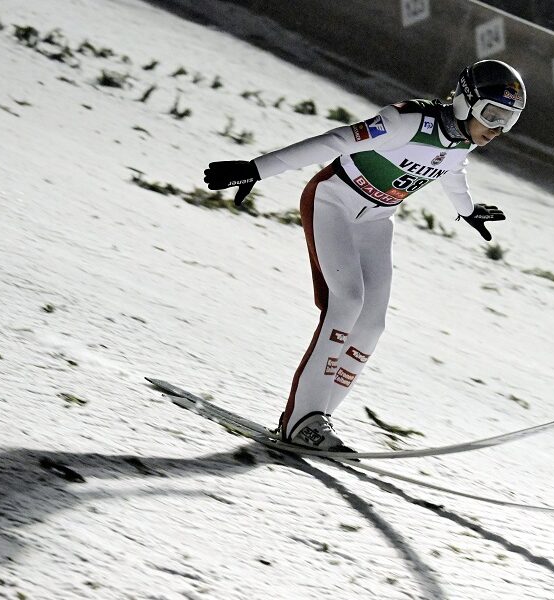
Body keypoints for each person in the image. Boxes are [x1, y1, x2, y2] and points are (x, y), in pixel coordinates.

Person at [203, 60, 527, 451]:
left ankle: (319, 419)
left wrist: (468, 210)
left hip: (376, 220)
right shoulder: (407, 122)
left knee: (371, 326)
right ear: (465, 101)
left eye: (508, 121)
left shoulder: (464, 141)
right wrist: (257, 168)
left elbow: (453, 170)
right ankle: (301, 420)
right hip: (333, 202)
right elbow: (334, 142)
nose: (497, 129)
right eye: (493, 115)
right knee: (346, 303)